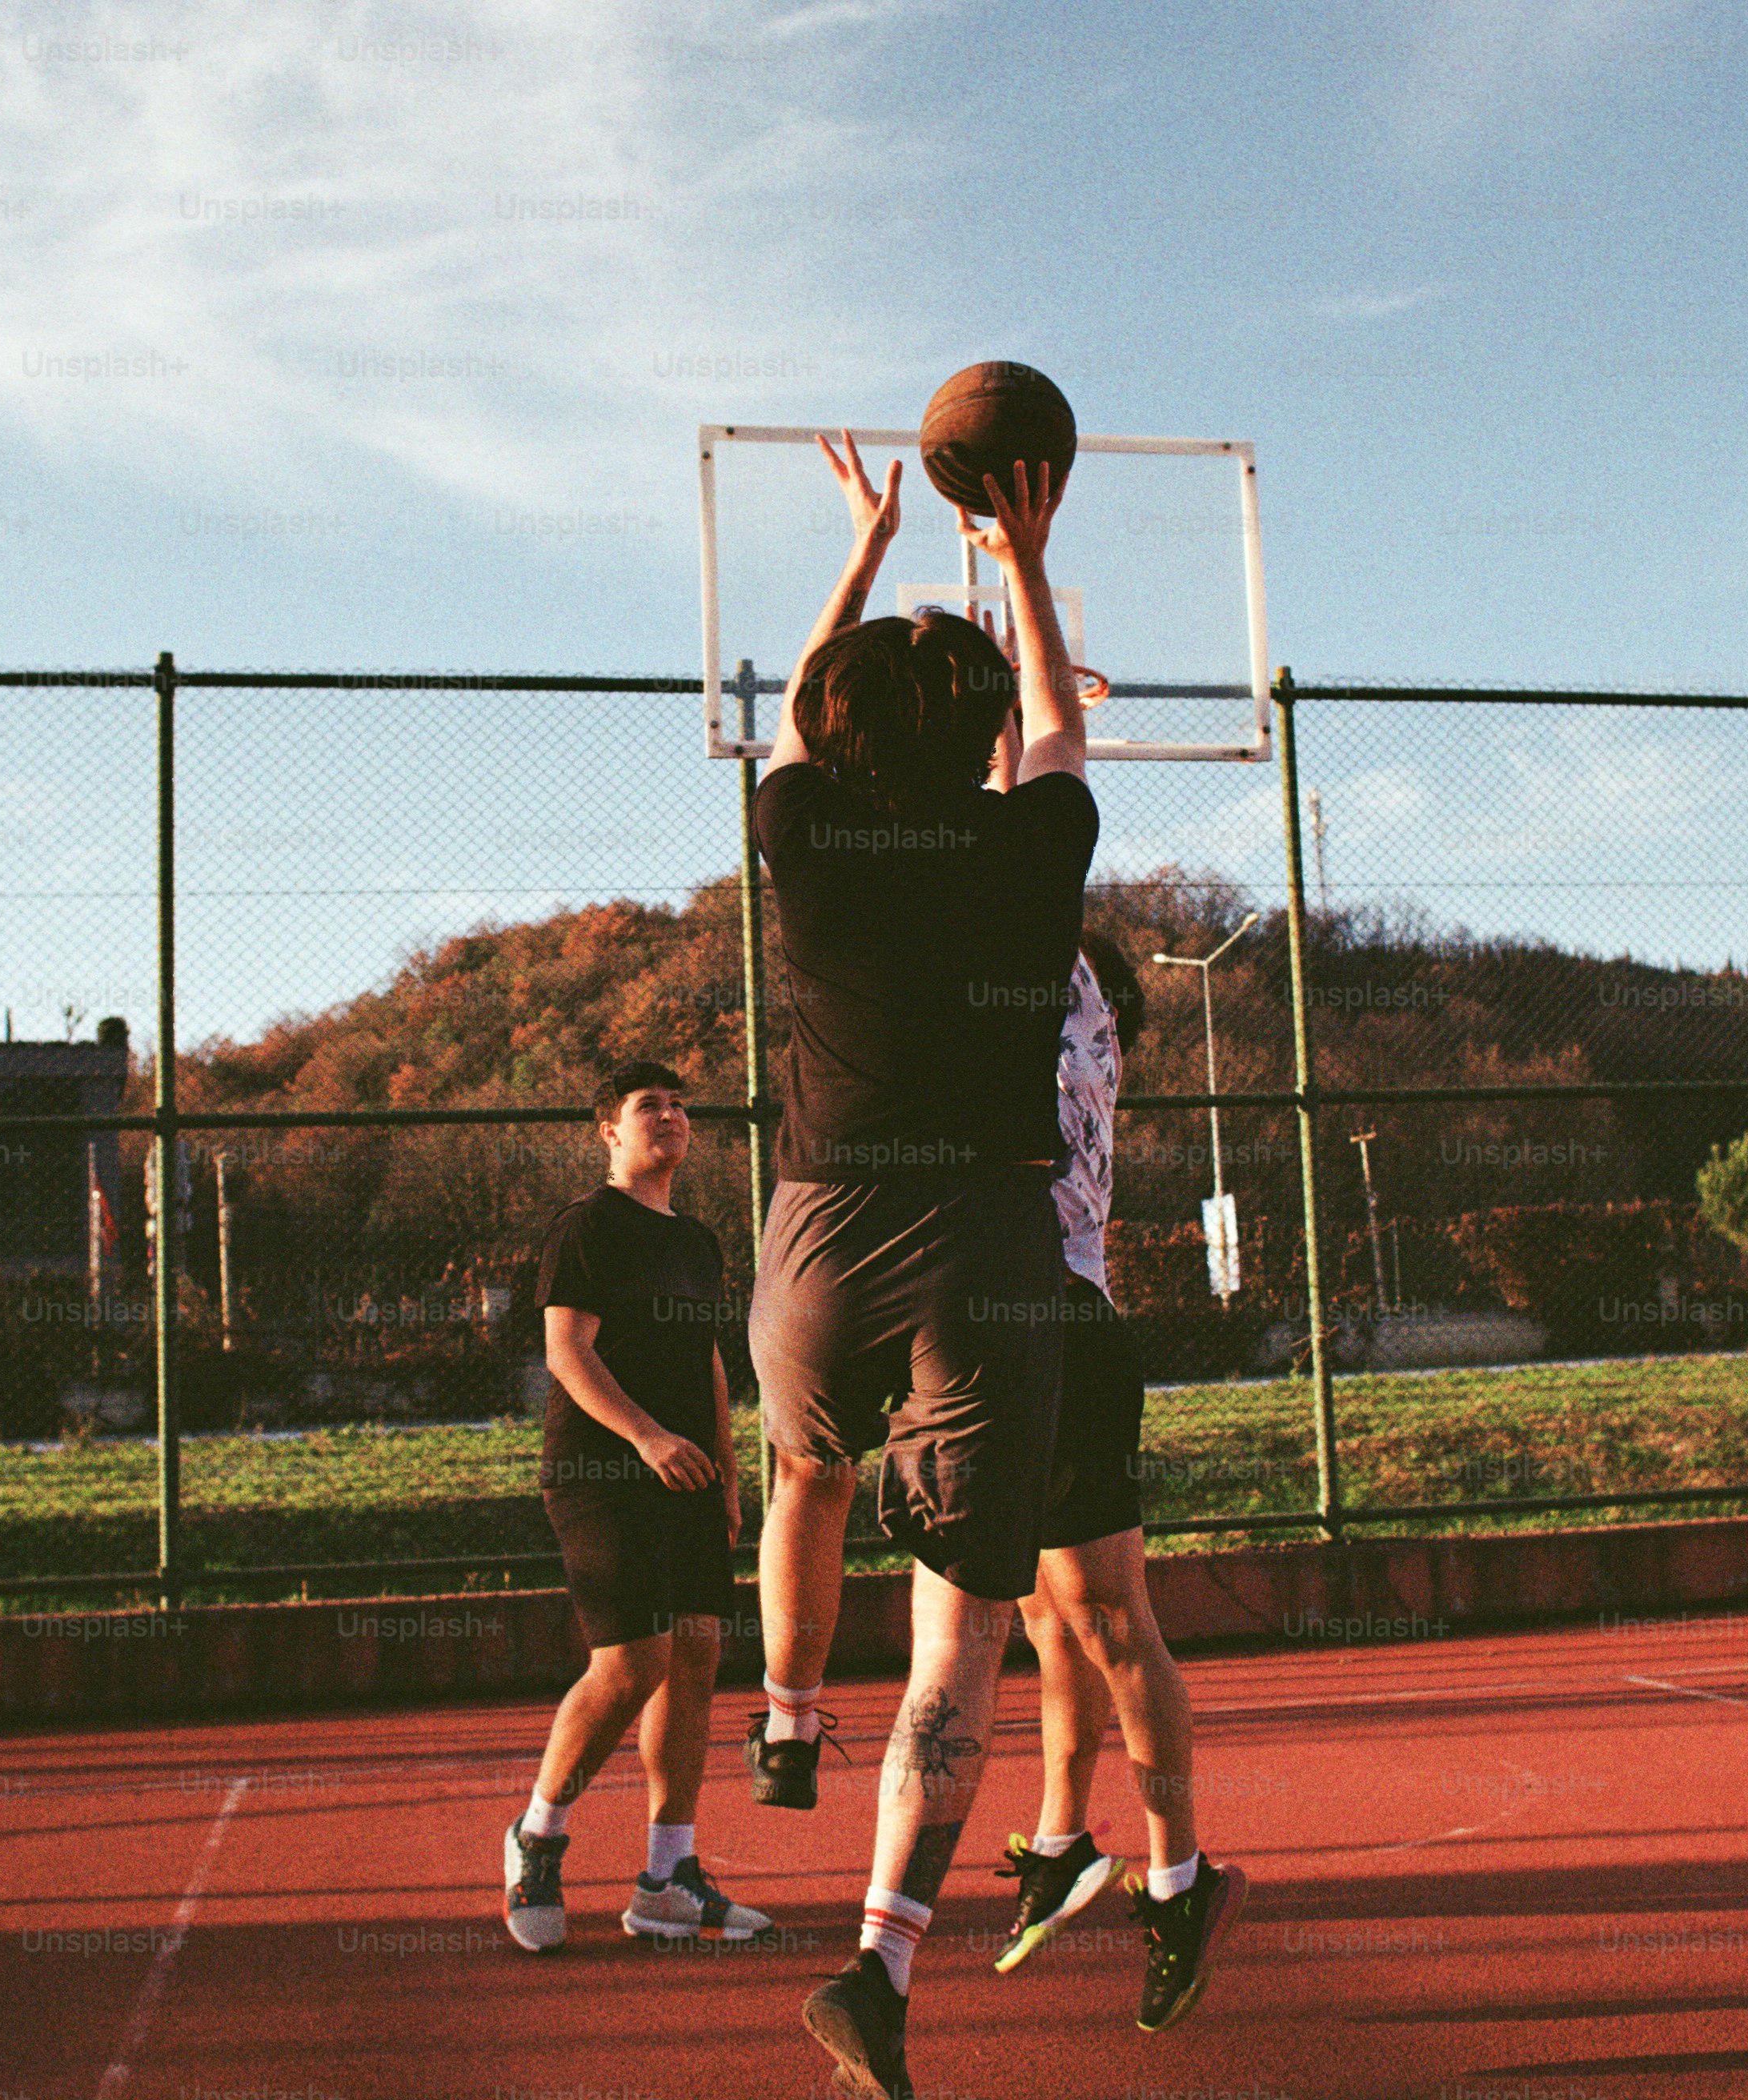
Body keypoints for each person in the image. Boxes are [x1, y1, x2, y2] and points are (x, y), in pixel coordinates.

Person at [743, 436, 1094, 2100]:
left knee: (802, 1467)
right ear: (986, 745)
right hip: (983, 1241)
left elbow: (797, 714)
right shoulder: (1031, 855)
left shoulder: (805, 843)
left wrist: (869, 550)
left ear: (836, 734)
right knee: (962, 1641)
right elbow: (1060, 730)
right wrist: (1017, 555)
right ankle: (879, 1959)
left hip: (813, 1238)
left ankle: (787, 1708)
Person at [991, 925, 1249, 2030]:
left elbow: (1034, 814)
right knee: (1047, 1618)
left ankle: (1181, 1883)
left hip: (1060, 1326)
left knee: (1107, 1616)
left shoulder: (1069, 1017)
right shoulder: (1007, 1021)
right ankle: (1059, 1840)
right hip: (993, 1336)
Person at [501, 1061, 768, 1953]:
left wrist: (728, 1466)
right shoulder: (586, 1225)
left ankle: (667, 1878)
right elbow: (568, 1352)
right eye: (649, 1104)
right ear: (609, 1130)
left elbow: (710, 1360)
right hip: (602, 1472)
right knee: (632, 1661)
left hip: (690, 1475)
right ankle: (537, 1835)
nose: (671, 1115)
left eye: (681, 1104)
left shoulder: (697, 1240)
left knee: (694, 1654)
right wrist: (647, 1437)